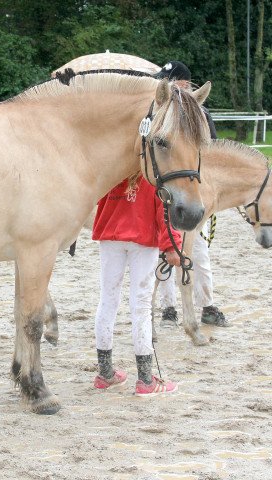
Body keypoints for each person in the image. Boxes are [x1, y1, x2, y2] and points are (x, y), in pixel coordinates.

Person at [92, 172, 181, 396]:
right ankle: (145, 379)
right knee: (140, 305)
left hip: (110, 235)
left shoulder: (112, 165)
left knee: (107, 300)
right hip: (143, 237)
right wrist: (172, 245)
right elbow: (165, 210)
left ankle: (105, 373)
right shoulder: (152, 172)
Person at [154, 61, 227, 328]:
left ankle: (206, 304)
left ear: (184, 84)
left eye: (171, 81)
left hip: (193, 190)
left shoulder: (200, 114)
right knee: (163, 250)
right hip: (167, 190)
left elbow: (211, 153)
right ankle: (168, 308)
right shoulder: (159, 112)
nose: (166, 86)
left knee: (198, 250)